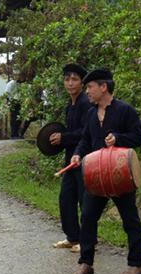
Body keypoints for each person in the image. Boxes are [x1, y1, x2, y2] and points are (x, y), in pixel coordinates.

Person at [70, 68, 141, 274]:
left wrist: (119, 138)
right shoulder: (91, 113)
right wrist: (77, 155)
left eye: (91, 87)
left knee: (129, 219)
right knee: (87, 217)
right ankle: (86, 263)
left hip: (119, 174)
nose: (88, 92)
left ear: (104, 87)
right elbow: (85, 140)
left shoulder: (125, 110)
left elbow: (139, 137)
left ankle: (136, 264)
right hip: (96, 175)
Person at [51, 63, 89, 253]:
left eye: (74, 79)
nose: (70, 83)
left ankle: (87, 240)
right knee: (66, 198)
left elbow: (86, 133)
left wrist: (64, 137)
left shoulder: (85, 103)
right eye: (67, 79)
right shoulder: (70, 105)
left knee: (85, 200)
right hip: (69, 160)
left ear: (82, 83)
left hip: (84, 158)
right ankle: (72, 237)